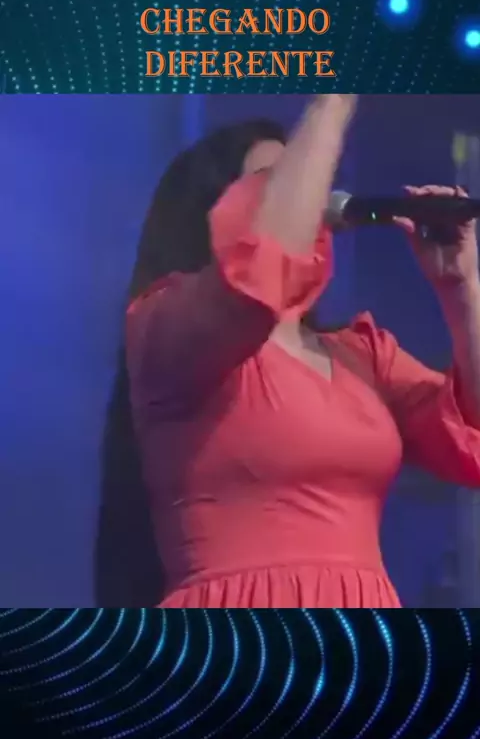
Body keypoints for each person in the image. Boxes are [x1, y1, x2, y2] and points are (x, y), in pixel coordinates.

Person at [122, 94, 480, 608]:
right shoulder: (165, 328)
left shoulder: (362, 354)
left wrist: (461, 289)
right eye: (281, 179)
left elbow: (472, 438)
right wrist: (337, 95)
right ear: (212, 212)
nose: (310, 192)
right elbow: (258, 275)